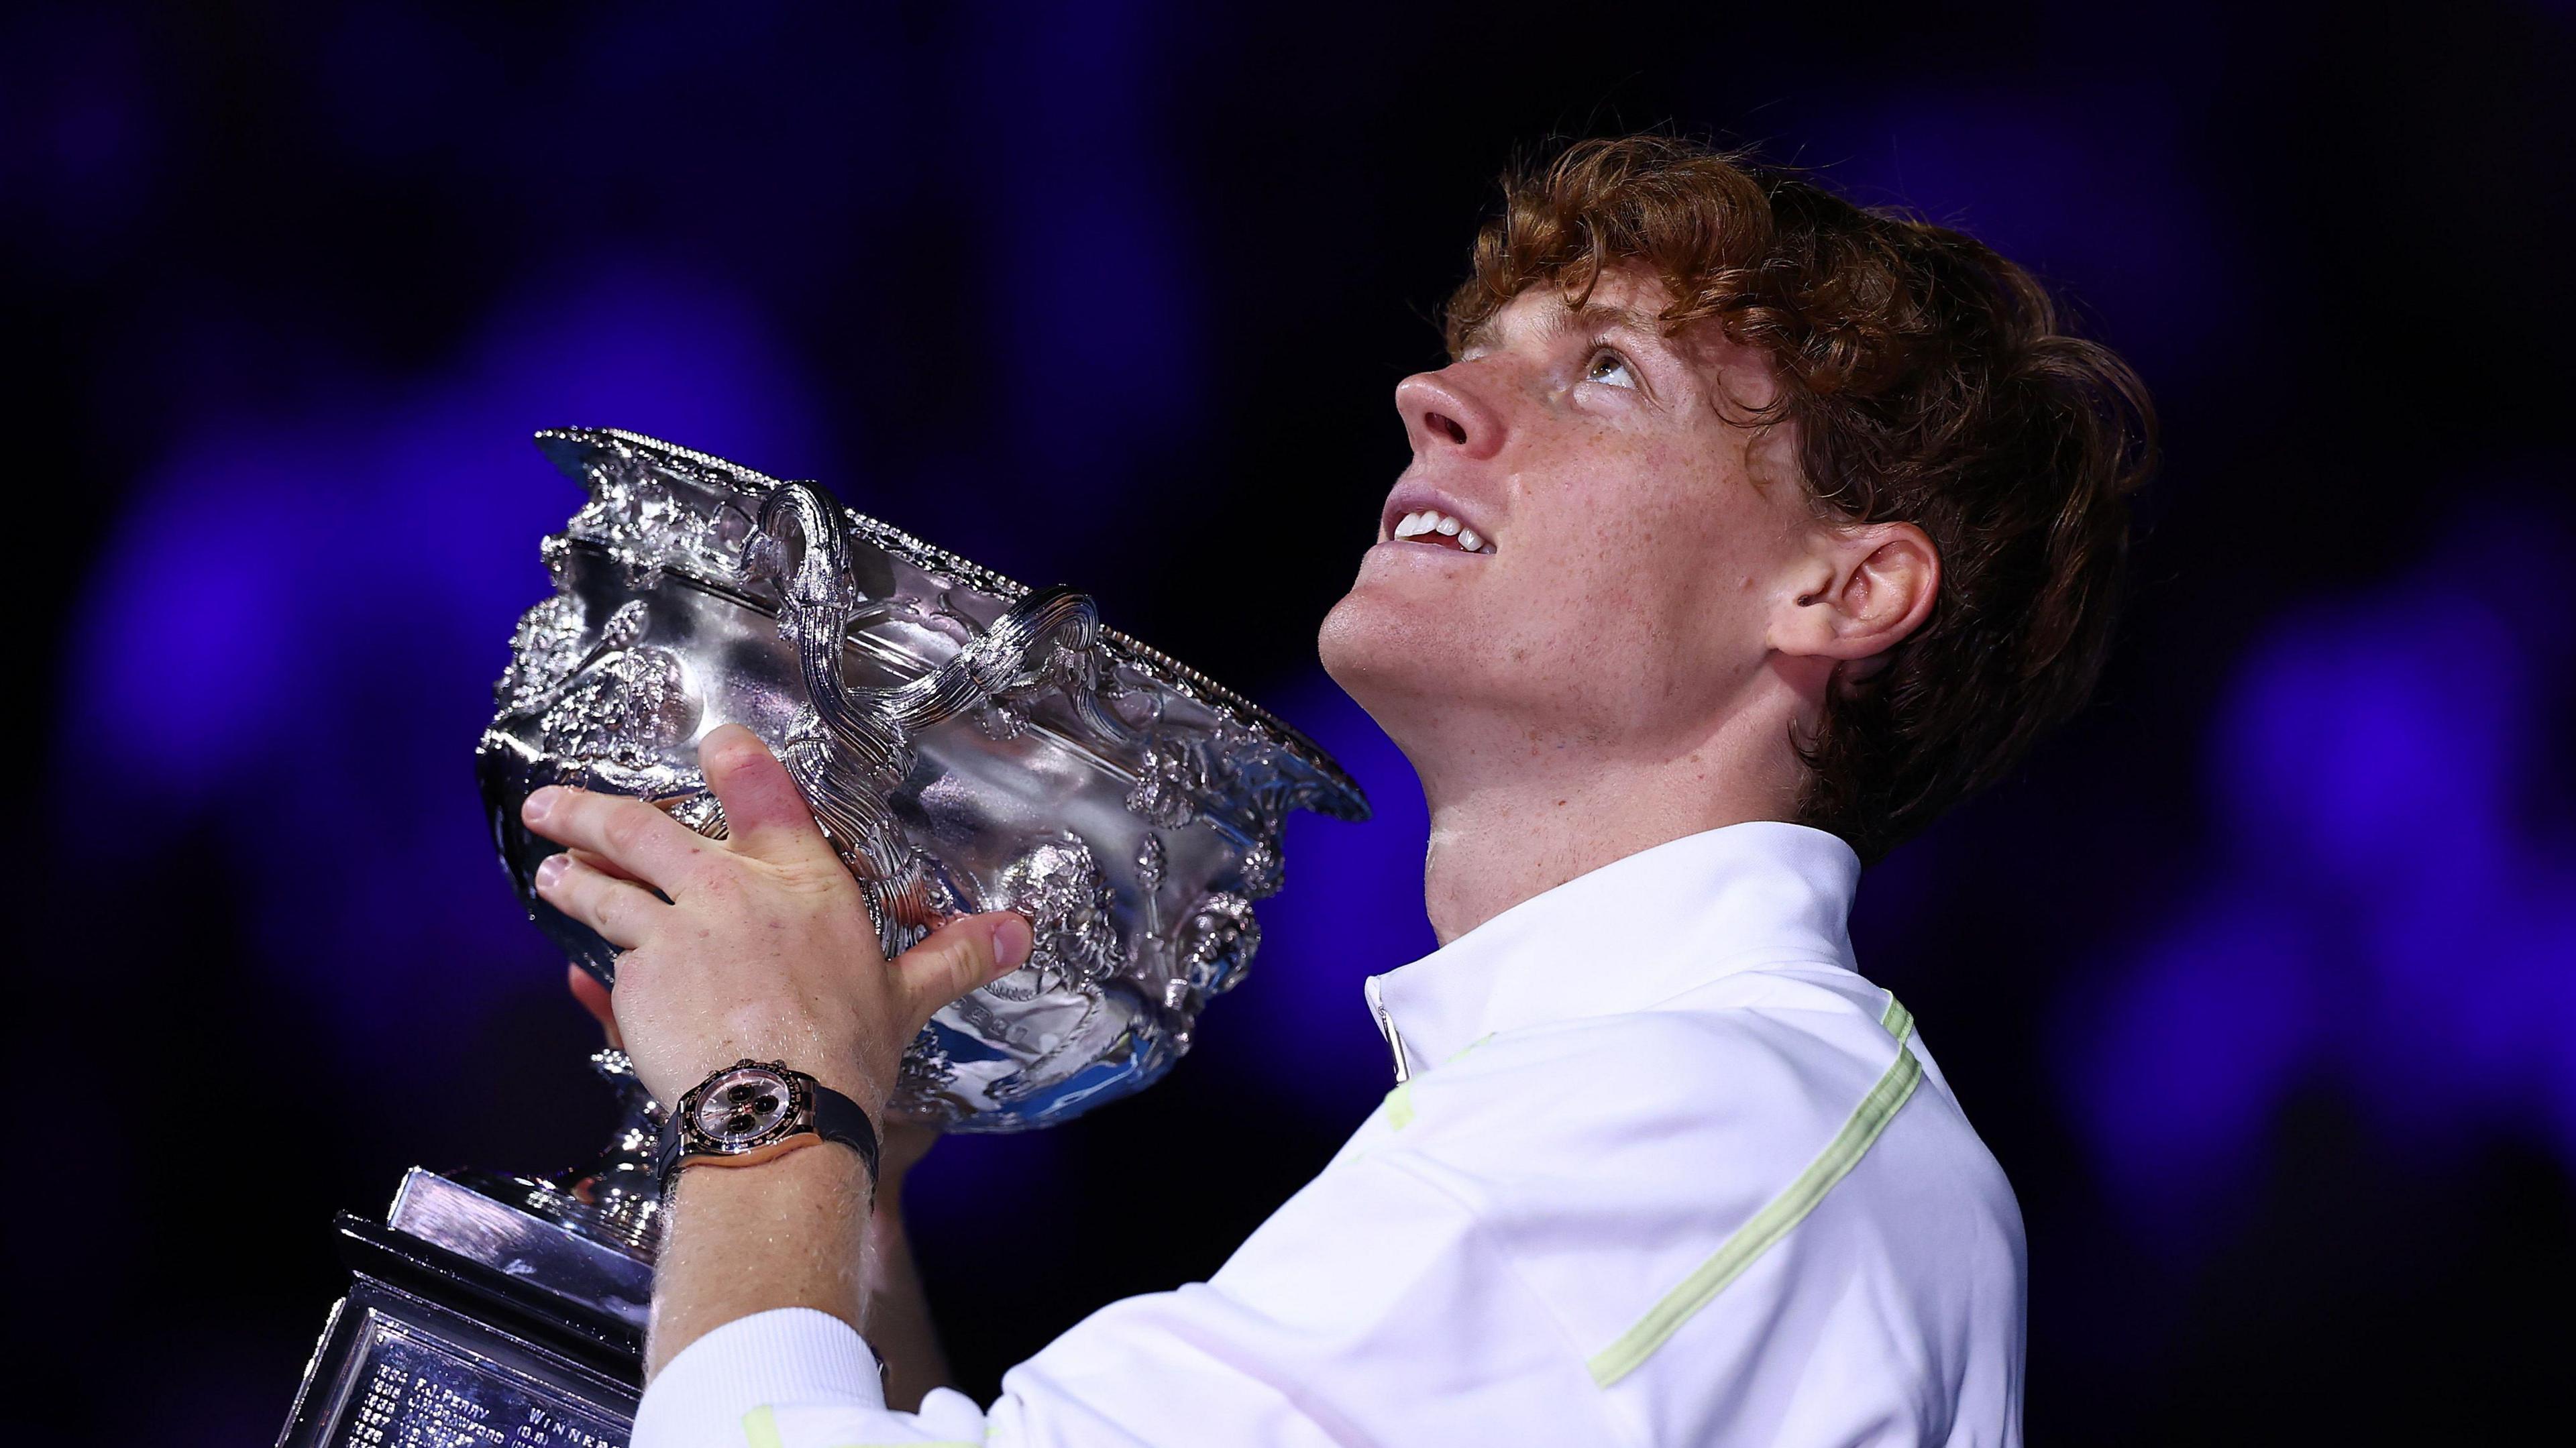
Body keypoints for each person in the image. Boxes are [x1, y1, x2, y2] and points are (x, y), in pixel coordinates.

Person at [522, 133, 2153, 1446]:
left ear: (1844, 592)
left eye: (1603, 374)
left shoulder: (1705, 1126)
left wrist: (768, 1108)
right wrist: (845, 1201)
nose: (1434, 399)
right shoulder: (1640, 1110)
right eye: (1479, 354)